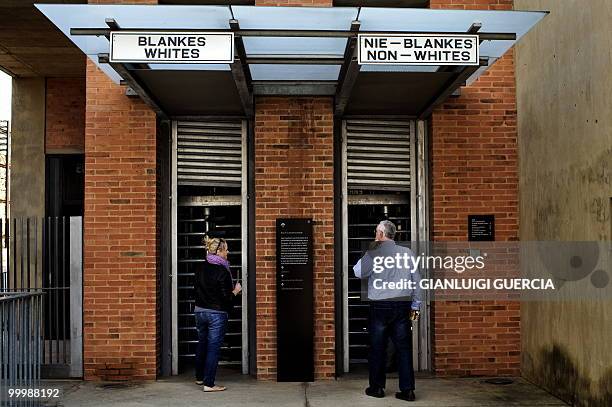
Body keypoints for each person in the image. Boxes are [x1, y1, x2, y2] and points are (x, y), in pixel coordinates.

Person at [353, 220, 422, 402]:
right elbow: (417, 283)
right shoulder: (407, 254)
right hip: (402, 305)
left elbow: (358, 272)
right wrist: (415, 310)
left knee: (377, 348)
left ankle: (377, 388)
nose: (375, 235)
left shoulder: (374, 253)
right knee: (404, 349)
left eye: (376, 232)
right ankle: (407, 391)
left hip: (380, 307)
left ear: (382, 234)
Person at [193, 236, 242, 392]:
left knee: (202, 344)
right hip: (216, 314)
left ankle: (200, 378)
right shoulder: (223, 270)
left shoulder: (200, 267)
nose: (228, 252)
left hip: (199, 312)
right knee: (213, 348)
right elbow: (226, 297)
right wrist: (236, 291)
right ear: (219, 251)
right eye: (226, 249)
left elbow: (197, 290)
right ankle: (209, 384)